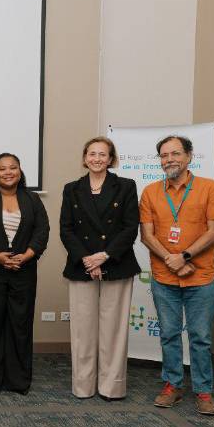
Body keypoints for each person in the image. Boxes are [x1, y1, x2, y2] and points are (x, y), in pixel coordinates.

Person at [140, 135, 214, 415]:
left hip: (201, 278)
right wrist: (173, 261)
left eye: (175, 153)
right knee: (169, 334)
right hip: (164, 278)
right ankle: (172, 385)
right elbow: (147, 235)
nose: (169, 160)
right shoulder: (150, 192)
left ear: (189, 156)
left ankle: (203, 391)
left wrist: (185, 256)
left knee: (200, 337)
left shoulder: (209, 188)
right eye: (164, 155)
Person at [60, 137, 140, 401]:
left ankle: (111, 387)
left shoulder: (126, 186)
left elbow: (130, 227)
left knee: (113, 330)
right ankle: (83, 385)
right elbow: (66, 229)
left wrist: (104, 256)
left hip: (116, 263)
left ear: (111, 159)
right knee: (82, 331)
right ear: (85, 158)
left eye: (102, 154)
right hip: (81, 265)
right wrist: (87, 259)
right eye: (92, 154)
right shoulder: (72, 189)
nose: (97, 158)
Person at [0, 152, 49, 396]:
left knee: (20, 324)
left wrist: (28, 254)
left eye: (13, 168)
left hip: (24, 271)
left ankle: (18, 380)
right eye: (2, 169)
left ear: (20, 171)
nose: (8, 172)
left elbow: (42, 230)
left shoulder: (32, 199)